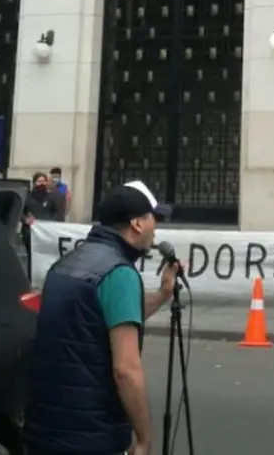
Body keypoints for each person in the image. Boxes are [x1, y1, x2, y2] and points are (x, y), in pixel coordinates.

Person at [25, 181, 178, 455]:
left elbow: (106, 318)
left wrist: (164, 293)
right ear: (137, 224)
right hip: (91, 435)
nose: (157, 228)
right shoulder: (119, 273)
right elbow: (126, 371)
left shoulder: (67, 263)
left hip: (44, 429)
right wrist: (144, 439)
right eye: (154, 219)